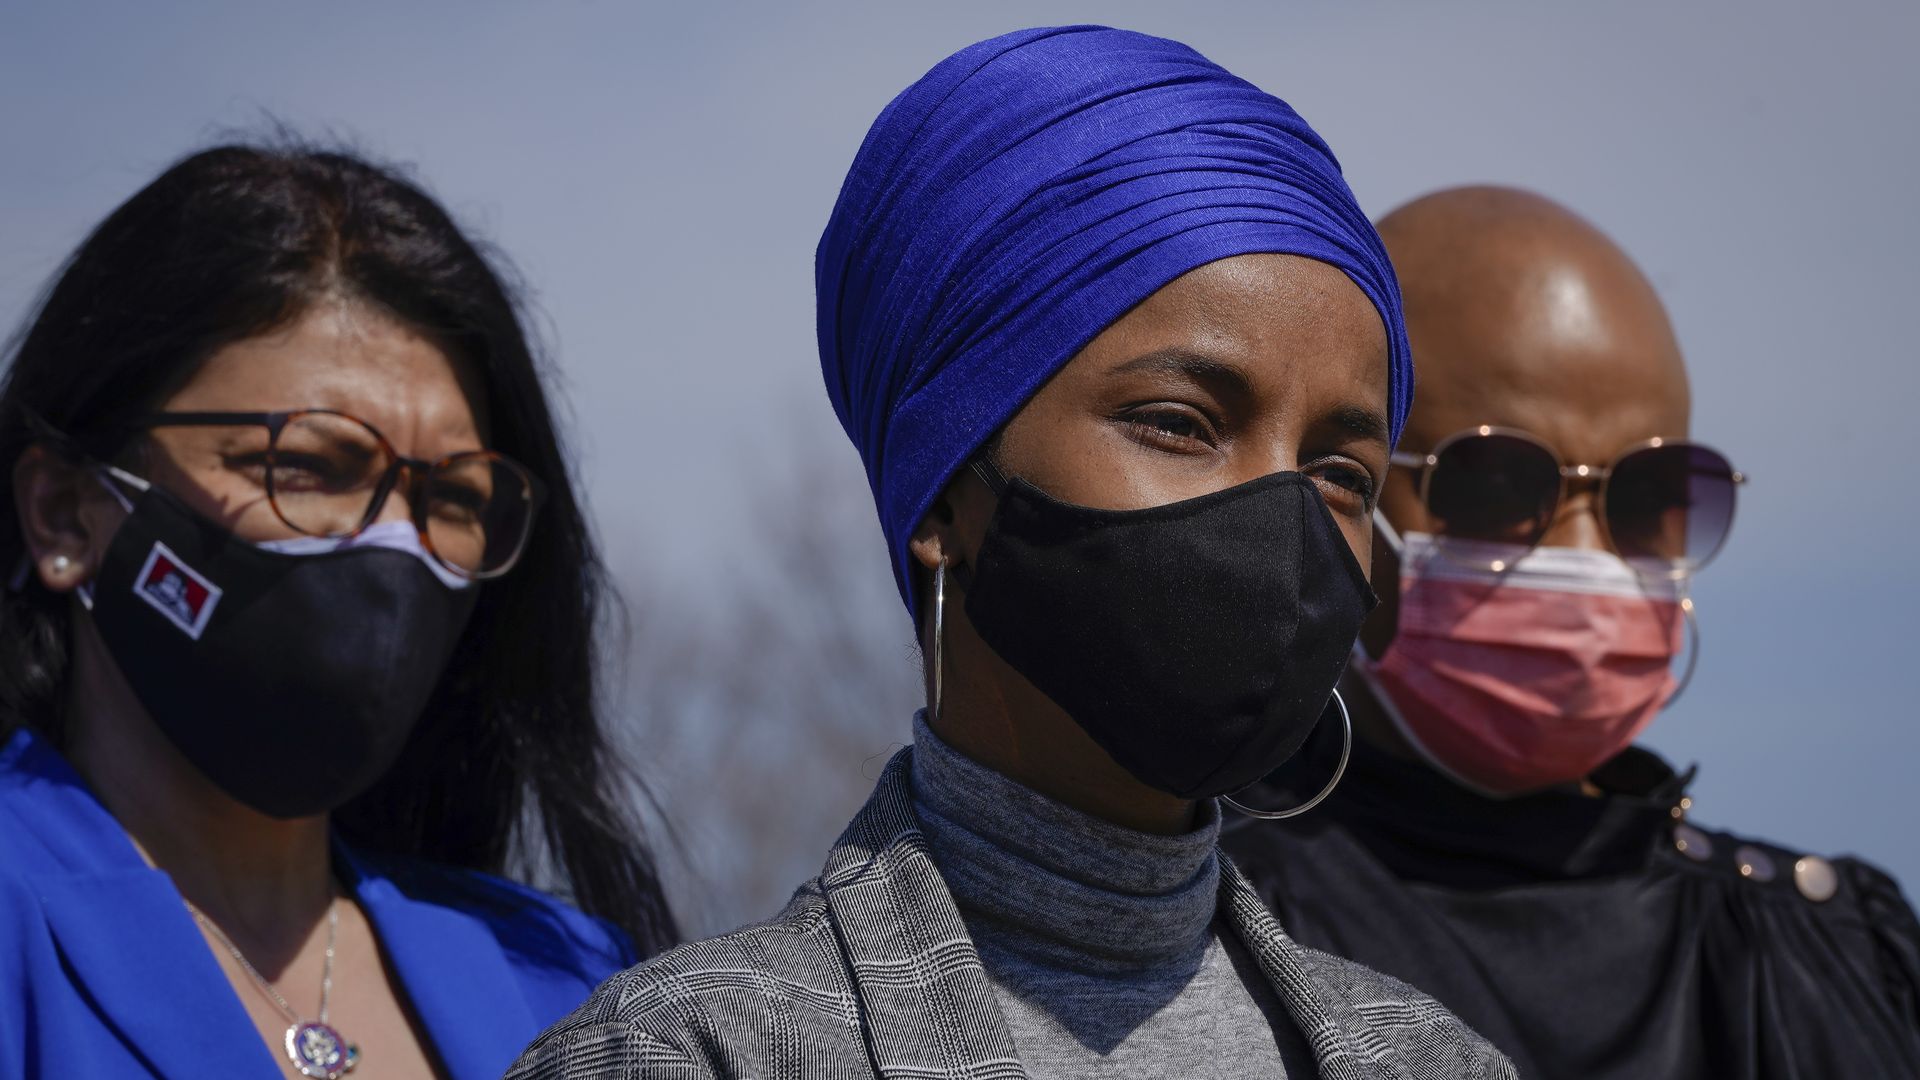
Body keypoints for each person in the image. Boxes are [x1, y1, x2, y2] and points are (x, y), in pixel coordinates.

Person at [511, 27, 1516, 1080]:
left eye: (1341, 474)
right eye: (1179, 423)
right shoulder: (690, 1054)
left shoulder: (1436, 1064)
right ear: (946, 492)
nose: (1282, 520)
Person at [0, 144, 678, 1080]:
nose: (394, 546)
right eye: (308, 467)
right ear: (66, 514)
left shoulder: (569, 980)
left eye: (457, 497)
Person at [1221, 186, 1920, 1077]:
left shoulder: (1830, 956)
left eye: (1651, 495)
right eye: (1497, 484)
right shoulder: (1200, 926)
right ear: (1338, 494)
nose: (1587, 556)